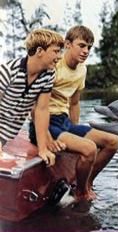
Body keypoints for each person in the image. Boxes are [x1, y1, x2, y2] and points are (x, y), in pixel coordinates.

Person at [29, 25, 118, 202]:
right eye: (81, 45)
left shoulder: (82, 70)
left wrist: (74, 133)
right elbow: (34, 105)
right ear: (68, 44)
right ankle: (81, 194)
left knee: (113, 141)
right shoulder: (53, 66)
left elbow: (74, 102)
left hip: (64, 122)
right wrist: (45, 136)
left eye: (89, 47)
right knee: (89, 148)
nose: (86, 51)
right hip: (45, 124)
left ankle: (85, 183)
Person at [0, 28, 64, 166]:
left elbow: (41, 110)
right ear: (40, 51)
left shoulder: (48, 74)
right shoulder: (8, 72)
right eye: (56, 51)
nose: (60, 56)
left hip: (6, 135)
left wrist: (43, 149)